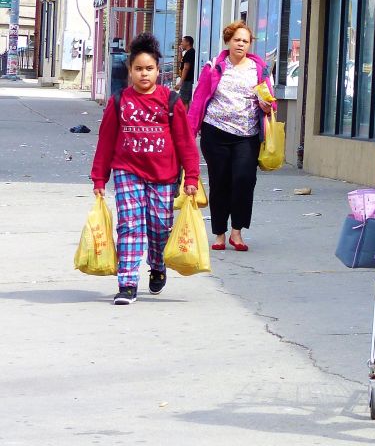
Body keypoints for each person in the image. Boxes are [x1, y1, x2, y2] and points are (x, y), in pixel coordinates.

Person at [90, 32, 200, 305]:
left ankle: (157, 265)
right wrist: (100, 178)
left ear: (158, 70)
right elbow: (105, 142)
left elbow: (185, 142)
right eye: (138, 69)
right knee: (130, 225)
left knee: (160, 227)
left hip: (164, 175)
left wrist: (192, 177)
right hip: (127, 170)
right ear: (130, 71)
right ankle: (127, 282)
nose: (143, 74)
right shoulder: (119, 101)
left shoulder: (171, 101)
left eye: (149, 69)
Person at [187, 21, 275, 252]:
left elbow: (269, 100)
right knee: (220, 182)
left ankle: (237, 232)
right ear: (228, 40)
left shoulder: (259, 69)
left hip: (246, 135)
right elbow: (199, 100)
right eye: (237, 39)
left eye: (245, 41)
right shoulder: (214, 66)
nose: (241, 44)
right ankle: (219, 234)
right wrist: (188, 134)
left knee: (244, 180)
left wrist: (267, 106)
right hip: (215, 132)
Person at [175, 36, 195, 103]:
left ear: (188, 42)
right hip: (185, 80)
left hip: (187, 80)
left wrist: (180, 82)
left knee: (183, 101)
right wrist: (180, 52)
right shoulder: (187, 53)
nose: (181, 43)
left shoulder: (190, 53)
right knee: (182, 100)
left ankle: (184, 113)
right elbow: (179, 60)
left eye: (183, 41)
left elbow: (186, 68)